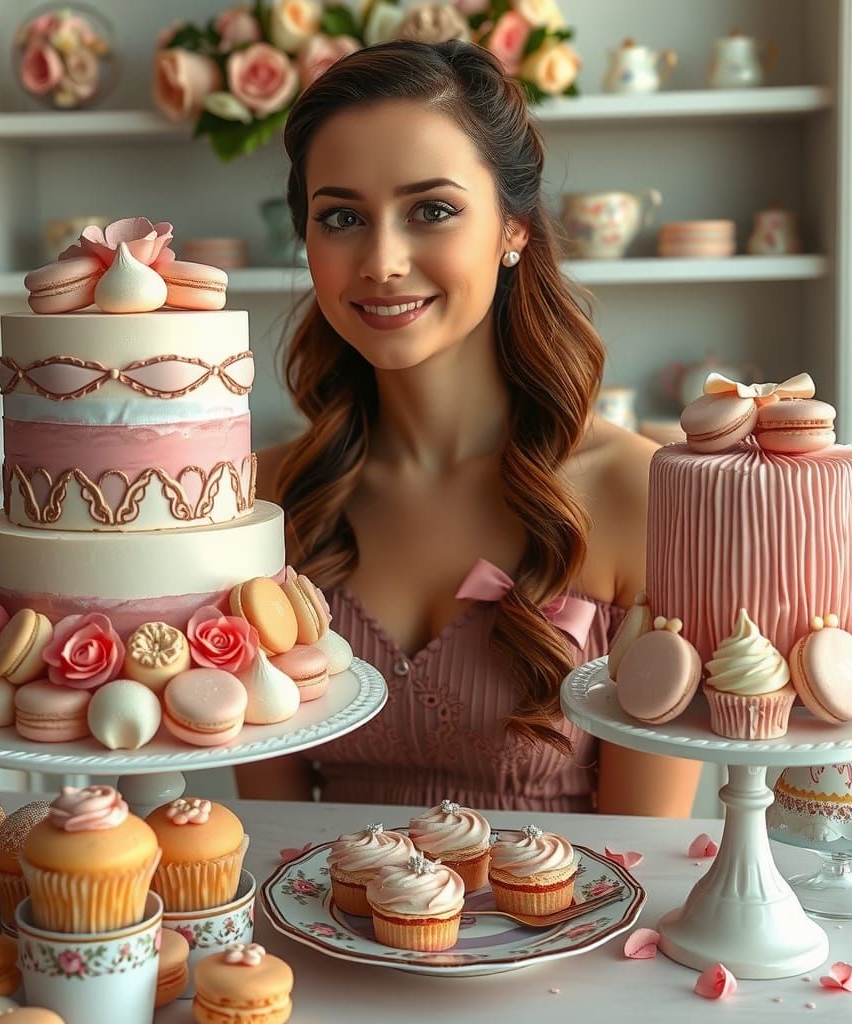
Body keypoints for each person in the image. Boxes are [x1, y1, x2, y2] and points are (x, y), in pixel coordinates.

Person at [236, 40, 701, 814]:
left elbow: (645, 860)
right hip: (308, 929)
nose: (382, 260)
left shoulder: (642, 493)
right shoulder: (263, 497)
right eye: (342, 216)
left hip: (577, 931)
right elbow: (269, 829)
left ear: (514, 228)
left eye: (432, 210)